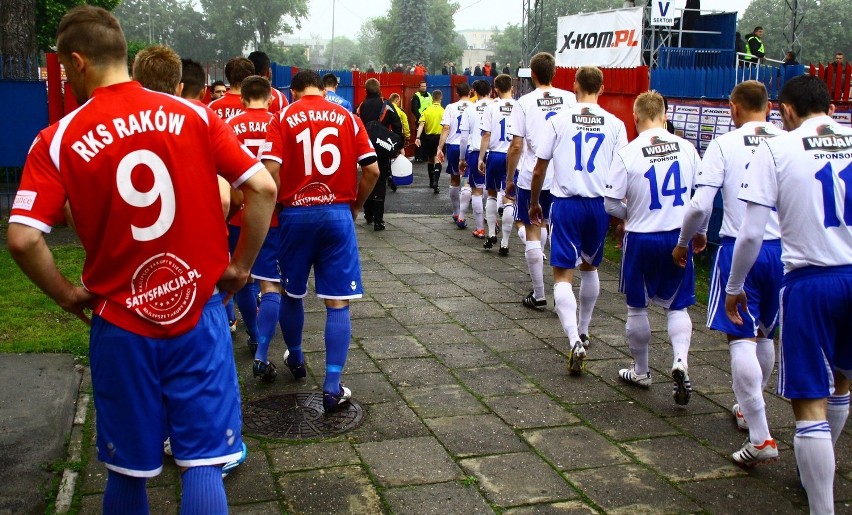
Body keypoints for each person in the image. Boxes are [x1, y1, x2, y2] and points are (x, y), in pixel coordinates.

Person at [7, 6, 276, 511]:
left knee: (128, 472)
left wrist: (67, 295)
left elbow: (22, 239)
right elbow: (261, 186)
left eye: (65, 70)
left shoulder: (58, 138)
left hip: (121, 324)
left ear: (78, 62)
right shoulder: (196, 116)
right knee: (202, 464)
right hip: (197, 312)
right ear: (122, 53)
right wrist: (239, 267)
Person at [724, 75, 852, 513]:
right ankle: (818, 469)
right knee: (841, 380)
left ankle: (822, 501)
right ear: (833, 109)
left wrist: (735, 286)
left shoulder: (775, 149)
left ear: (788, 112)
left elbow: (751, 233)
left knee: (808, 402)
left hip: (810, 280)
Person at [675, 80, 784, 465]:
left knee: (740, 338)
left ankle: (760, 434)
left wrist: (688, 238)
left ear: (734, 109)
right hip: (784, 252)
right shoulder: (787, 141)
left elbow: (699, 205)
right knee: (765, 333)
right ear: (769, 107)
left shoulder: (724, 144)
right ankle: (748, 407)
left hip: (741, 247)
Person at [261, 69, 380, 413]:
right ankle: (331, 387)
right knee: (338, 301)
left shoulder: (282, 115)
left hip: (295, 215)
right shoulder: (346, 116)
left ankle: (296, 358)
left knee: (291, 292)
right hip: (337, 215)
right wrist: (356, 205)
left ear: (295, 90)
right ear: (323, 88)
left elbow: (269, 170)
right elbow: (371, 169)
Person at [604, 90, 701, 406]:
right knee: (678, 306)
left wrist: (629, 214)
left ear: (635, 117)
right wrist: (696, 232)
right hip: (678, 236)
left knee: (636, 307)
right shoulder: (688, 149)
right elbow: (701, 198)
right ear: (665, 115)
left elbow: (610, 203)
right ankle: (680, 361)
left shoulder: (629, 153)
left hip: (642, 237)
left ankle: (642, 370)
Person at [530, 66, 628, 375]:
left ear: (574, 86)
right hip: (599, 206)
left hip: (566, 204)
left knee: (562, 274)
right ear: (602, 87)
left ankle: (574, 339)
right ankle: (584, 329)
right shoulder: (616, 124)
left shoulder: (558, 120)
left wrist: (534, 202)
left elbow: (539, 168)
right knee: (590, 268)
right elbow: (622, 170)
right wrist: (622, 210)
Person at [505, 52, 576, 311]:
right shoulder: (569, 99)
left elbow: (516, 145)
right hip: (562, 175)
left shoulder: (523, 102)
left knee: (532, 228)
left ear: (532, 74)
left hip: (531, 174)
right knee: (554, 228)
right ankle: (562, 291)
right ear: (554, 72)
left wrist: (509, 178)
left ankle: (539, 293)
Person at [225, 76, 283, 383]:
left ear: (242, 98)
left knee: (242, 279)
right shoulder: (279, 122)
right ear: (271, 97)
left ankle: (253, 332)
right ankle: (264, 350)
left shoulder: (230, 126)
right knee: (271, 283)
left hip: (238, 212)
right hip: (271, 214)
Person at [357, 78, 403, 230]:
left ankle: (368, 214)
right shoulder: (386, 104)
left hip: (365, 149)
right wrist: (397, 146)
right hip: (382, 149)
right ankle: (378, 219)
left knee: (367, 178)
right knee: (380, 181)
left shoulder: (361, 106)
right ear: (379, 89)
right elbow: (398, 125)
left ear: (366, 90)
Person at [478, 73, 516, 255]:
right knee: (509, 198)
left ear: (496, 90)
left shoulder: (491, 108)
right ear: (512, 88)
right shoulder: (520, 107)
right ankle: (505, 243)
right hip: (514, 156)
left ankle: (492, 233)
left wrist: (480, 157)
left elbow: (486, 134)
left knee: (492, 194)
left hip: (495, 155)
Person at [458, 80, 493, 239]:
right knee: (496, 190)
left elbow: (464, 137)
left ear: (474, 92)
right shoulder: (497, 106)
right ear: (491, 90)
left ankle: (480, 229)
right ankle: (494, 225)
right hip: (496, 152)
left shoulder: (470, 109)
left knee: (477, 190)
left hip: (476, 151)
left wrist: (462, 158)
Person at [436, 82, 473, 224]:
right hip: (470, 146)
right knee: (469, 181)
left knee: (454, 179)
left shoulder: (450, 107)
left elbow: (446, 127)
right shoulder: (475, 107)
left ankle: (456, 212)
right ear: (470, 92)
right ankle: (463, 215)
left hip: (453, 145)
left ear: (457, 93)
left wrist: (440, 147)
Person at [415, 89, 445, 194]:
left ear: (432, 98)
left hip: (428, 138)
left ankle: (431, 181)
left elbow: (421, 125)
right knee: (438, 159)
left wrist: (418, 137)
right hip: (439, 138)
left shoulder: (426, 110)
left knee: (430, 160)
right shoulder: (443, 111)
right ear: (441, 98)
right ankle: (436, 181)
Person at [411, 81, 431, 162]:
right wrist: (420, 118)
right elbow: (414, 109)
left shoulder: (429, 95)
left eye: (425, 86)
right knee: (419, 138)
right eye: (422, 86)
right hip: (420, 121)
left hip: (428, 120)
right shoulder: (416, 96)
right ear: (419, 87)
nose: (424, 87)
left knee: (427, 139)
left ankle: (425, 156)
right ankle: (418, 156)